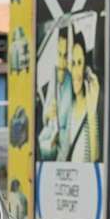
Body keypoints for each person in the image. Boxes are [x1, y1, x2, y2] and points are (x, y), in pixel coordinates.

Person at [38, 26, 73, 161]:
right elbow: (46, 116)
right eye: (60, 54)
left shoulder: (71, 81)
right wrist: (48, 115)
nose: (62, 62)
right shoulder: (52, 77)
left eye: (65, 56)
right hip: (50, 143)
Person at [66, 32, 101, 163]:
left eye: (79, 63)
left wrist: (91, 111)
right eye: (72, 63)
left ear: (85, 68)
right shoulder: (67, 108)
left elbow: (95, 157)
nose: (75, 71)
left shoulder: (90, 106)